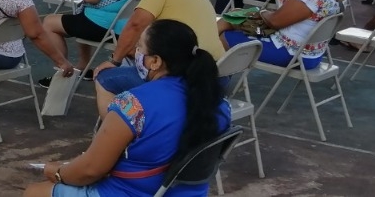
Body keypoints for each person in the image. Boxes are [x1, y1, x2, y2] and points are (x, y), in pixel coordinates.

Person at [25, 20, 229, 197]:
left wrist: (59, 172)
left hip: (131, 192)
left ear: (155, 61)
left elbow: (90, 171)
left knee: (33, 192)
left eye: (140, 47)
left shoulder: (133, 105)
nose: (135, 52)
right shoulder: (218, 103)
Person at [92, 0, 226, 114]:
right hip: (214, 79)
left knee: (104, 78)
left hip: (181, 82)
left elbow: (135, 24)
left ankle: (119, 132)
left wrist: (115, 61)